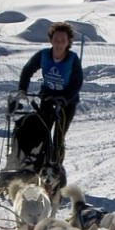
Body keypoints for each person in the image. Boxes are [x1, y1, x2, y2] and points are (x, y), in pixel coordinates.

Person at [18, 21, 83, 162]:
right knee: (42, 133)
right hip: (47, 99)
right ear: (51, 40)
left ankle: (56, 167)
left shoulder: (72, 59)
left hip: (67, 103)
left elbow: (77, 83)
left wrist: (65, 98)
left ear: (68, 42)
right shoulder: (43, 55)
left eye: (63, 40)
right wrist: (22, 88)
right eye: (56, 40)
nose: (59, 44)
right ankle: (39, 163)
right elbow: (27, 70)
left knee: (58, 137)